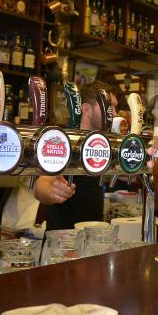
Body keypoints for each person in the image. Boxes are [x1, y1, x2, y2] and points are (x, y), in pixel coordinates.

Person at [34, 81, 118, 230]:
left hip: (92, 243)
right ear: (86, 109)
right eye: (109, 107)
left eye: (115, 108)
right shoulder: (66, 141)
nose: (115, 114)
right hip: (62, 245)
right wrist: (52, 190)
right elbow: (40, 185)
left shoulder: (102, 144)